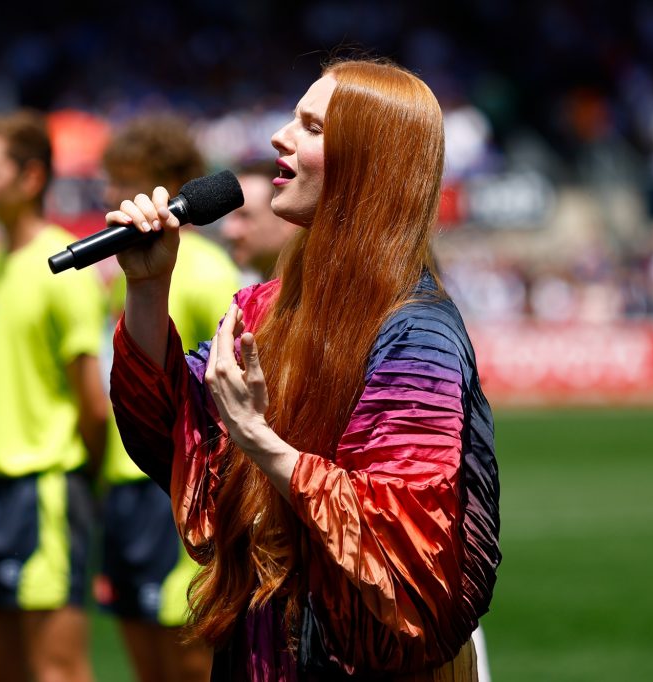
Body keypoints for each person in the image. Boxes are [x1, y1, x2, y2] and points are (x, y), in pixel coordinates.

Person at [106, 58, 500, 681]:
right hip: (265, 649)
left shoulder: (415, 332)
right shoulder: (263, 306)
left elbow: (404, 548)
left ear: (368, 162)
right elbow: (169, 436)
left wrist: (261, 443)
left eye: (311, 126)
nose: (279, 137)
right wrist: (149, 289)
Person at [0, 110, 106, 682]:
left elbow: (92, 403)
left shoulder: (64, 265)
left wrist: (74, 481)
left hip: (44, 490)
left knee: (57, 670)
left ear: (31, 177)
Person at [97, 113, 239, 682]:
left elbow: (227, 386)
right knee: (143, 659)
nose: (109, 193)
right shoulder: (122, 270)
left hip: (177, 490)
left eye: (123, 179)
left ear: (162, 182)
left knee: (189, 656)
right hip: (125, 483)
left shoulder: (205, 272)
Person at [220, 160, 300, 283]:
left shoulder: (322, 298)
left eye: (244, 216)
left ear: (289, 219)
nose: (229, 231)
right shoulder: (247, 294)